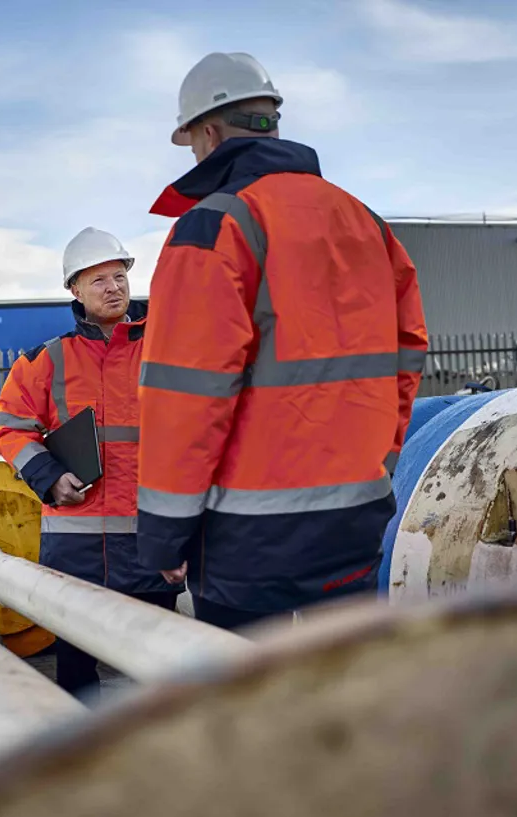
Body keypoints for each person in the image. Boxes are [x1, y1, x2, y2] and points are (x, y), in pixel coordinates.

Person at [137, 52, 429, 631]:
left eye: (192, 141)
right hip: (354, 523)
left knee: (253, 709)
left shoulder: (214, 225)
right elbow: (406, 358)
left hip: (244, 541)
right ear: (271, 117)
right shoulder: (363, 220)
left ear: (209, 131)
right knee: (348, 695)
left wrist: (164, 538)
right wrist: (380, 464)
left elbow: (186, 399)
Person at [0, 227, 183, 698]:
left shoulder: (169, 347)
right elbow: (10, 430)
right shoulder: (44, 360)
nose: (113, 287)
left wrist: (186, 536)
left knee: (160, 674)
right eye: (98, 279)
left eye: (119, 276)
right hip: (75, 550)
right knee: (78, 679)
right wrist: (49, 476)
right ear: (74, 290)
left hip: (152, 542)